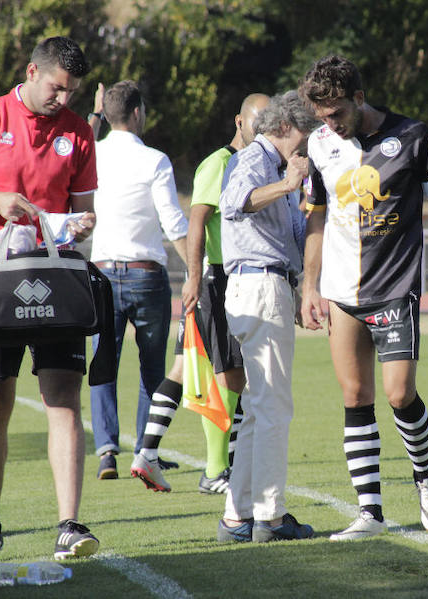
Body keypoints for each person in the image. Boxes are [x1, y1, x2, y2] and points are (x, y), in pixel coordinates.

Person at [0, 36, 101, 563]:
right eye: (55, 88)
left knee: (64, 404)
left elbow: (82, 212)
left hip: (55, 281)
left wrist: (81, 223)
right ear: (32, 72)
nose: (63, 101)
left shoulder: (77, 132)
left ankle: (69, 525)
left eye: (71, 93)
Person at [298, 55, 428, 541]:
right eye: (321, 117)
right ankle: (370, 514)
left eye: (335, 114)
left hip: (396, 289)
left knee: (399, 395)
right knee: (355, 396)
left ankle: (425, 476)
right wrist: (309, 285)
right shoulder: (318, 144)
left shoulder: (415, 137)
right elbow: (315, 216)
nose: (329, 124)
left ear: (358, 98)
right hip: (340, 291)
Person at [131, 93, 270, 494]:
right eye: (254, 123)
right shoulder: (219, 163)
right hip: (217, 280)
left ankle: (149, 452)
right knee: (229, 376)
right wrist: (194, 276)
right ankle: (216, 470)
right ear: (238, 122)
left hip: (223, 278)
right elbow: (197, 221)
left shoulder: (253, 163)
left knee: (186, 368)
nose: (260, 131)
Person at [215, 90, 317, 543]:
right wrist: (288, 185)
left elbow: (290, 231)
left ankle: (237, 517)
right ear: (286, 128)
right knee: (273, 408)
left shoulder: (271, 164)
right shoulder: (257, 158)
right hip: (260, 285)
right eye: (306, 136)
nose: (308, 146)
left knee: (258, 409)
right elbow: (234, 201)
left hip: (257, 286)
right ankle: (270, 518)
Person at [87, 80, 189, 480]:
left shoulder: (92, 155)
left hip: (101, 275)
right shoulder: (155, 160)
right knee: (153, 369)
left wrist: (94, 116)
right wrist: (195, 268)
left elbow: (73, 153)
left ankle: (106, 451)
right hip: (146, 276)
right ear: (136, 113)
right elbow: (172, 220)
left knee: (102, 365)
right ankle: (146, 451)